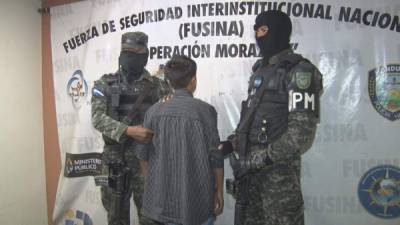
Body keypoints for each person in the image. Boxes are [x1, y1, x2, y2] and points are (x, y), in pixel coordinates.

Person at [221, 10, 323, 225]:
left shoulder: (300, 71)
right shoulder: (260, 71)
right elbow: (253, 120)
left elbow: (300, 137)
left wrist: (256, 160)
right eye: (256, 30)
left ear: (279, 31)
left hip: (278, 180)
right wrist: (231, 144)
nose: (259, 35)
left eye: (264, 30)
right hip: (250, 178)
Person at [91, 31, 168, 225]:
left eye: (136, 53)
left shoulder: (159, 86)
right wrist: (129, 131)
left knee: (152, 217)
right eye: (127, 52)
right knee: (116, 217)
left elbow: (169, 121)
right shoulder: (104, 84)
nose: (130, 57)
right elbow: (97, 119)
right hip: (114, 159)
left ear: (145, 56)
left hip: (147, 161)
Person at [137, 55, 224, 225]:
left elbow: (143, 156)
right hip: (197, 205)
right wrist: (219, 190)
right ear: (194, 80)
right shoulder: (206, 112)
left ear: (168, 82)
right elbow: (216, 157)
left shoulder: (153, 112)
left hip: (158, 207)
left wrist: (152, 186)